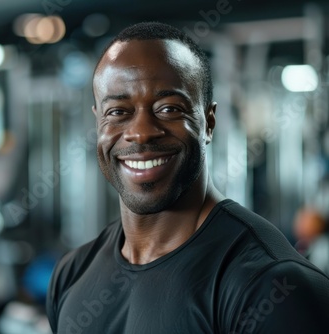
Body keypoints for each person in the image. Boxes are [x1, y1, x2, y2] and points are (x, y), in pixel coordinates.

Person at [46, 21, 329, 333]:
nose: (140, 132)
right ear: (97, 121)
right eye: (117, 112)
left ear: (208, 123)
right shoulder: (72, 273)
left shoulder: (272, 286)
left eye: (168, 109)